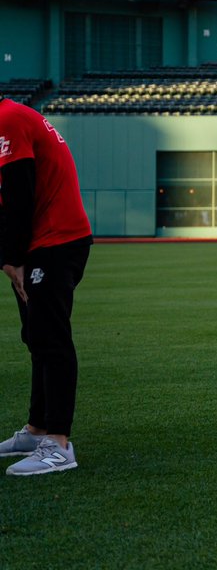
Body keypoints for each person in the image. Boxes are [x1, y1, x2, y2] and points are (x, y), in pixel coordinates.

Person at [0, 98, 93, 476]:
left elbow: (20, 194)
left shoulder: (7, 118)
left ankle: (58, 443)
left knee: (51, 337)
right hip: (44, 241)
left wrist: (13, 258)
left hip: (55, 241)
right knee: (36, 335)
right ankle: (37, 428)